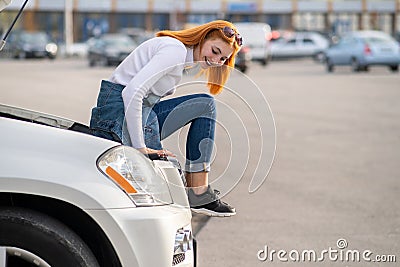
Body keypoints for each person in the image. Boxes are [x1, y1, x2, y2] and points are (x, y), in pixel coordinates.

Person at [90, 20, 242, 217]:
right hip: (117, 115)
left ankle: (198, 192)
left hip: (141, 114)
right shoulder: (174, 50)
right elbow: (131, 93)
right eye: (215, 51)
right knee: (165, 182)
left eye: (223, 59)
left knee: (205, 106)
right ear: (203, 38)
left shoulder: (181, 57)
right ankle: (198, 192)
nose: (216, 61)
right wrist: (140, 149)